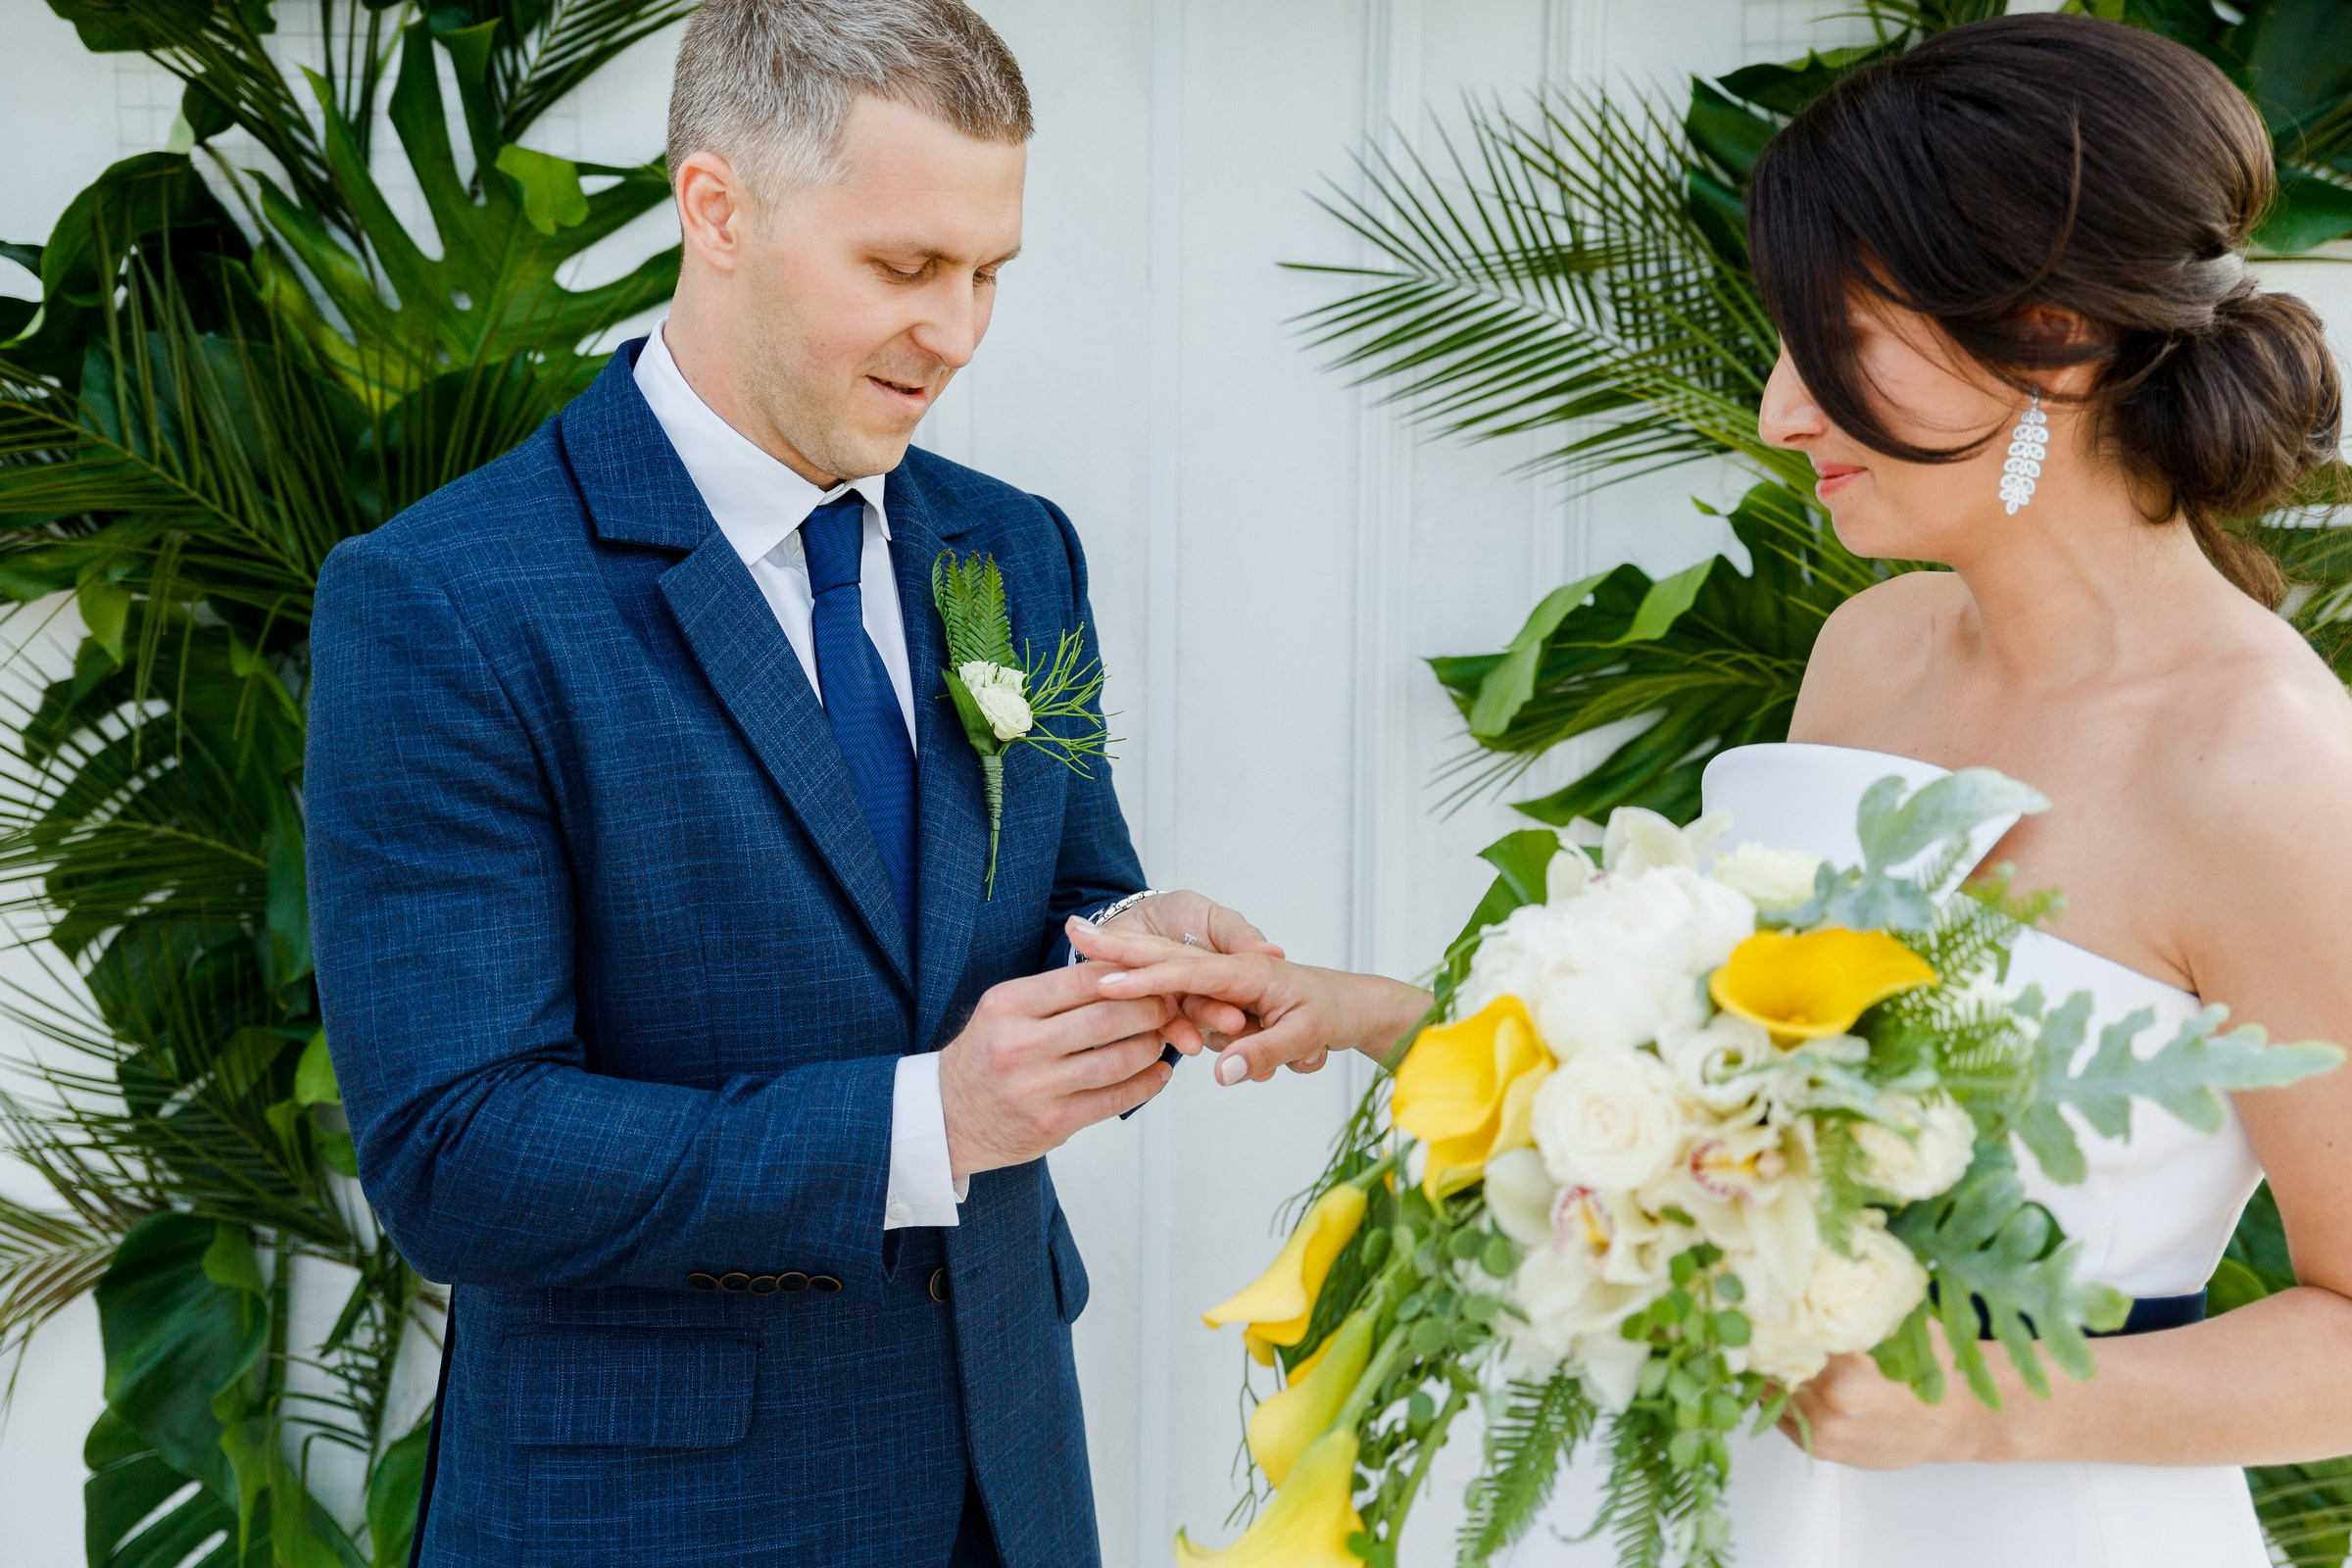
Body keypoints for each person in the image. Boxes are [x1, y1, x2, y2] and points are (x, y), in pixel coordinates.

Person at [1086, 15, 2352, 1567]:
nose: (1777, 411)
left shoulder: (2273, 772)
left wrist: (1971, 1412)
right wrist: (1349, 1010)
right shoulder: (1869, 653)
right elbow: (1727, 1089)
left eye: (1834, 346)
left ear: (2054, 338)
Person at [306, 3, 1272, 1564]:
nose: (956, 332)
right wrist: (927, 1121)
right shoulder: (444, 600)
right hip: (655, 1517)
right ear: (718, 209)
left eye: (987, 275)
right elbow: (457, 1153)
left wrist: (1143, 947)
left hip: (1005, 1478)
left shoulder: (1012, 545)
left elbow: (1070, 879)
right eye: (904, 269)